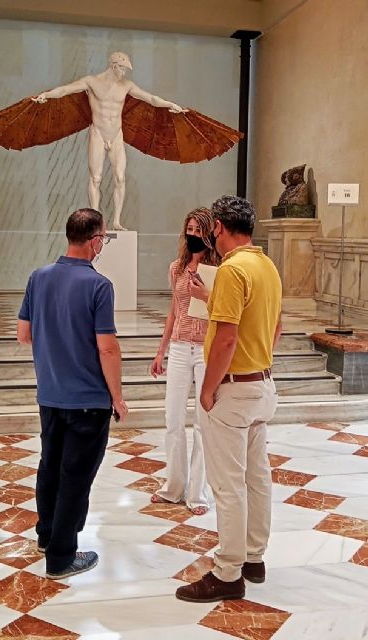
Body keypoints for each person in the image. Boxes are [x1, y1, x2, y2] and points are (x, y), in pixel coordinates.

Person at [176, 196, 282, 603]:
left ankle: (228, 571)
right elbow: (276, 325)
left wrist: (208, 389)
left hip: (234, 390)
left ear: (219, 227)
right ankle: (254, 557)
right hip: (262, 385)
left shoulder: (232, 270)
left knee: (227, 484)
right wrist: (260, 362)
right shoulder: (266, 266)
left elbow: (225, 337)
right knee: (257, 476)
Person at [17, 207, 128, 580]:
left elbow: (24, 334)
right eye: (103, 238)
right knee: (75, 477)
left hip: (50, 394)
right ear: (95, 240)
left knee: (50, 467)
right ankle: (62, 557)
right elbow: (107, 348)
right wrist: (117, 397)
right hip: (88, 399)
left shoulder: (38, 277)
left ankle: (47, 536)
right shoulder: (99, 285)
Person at [33, 52, 186, 231]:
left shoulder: (126, 85)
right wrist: (47, 95)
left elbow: (150, 98)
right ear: (113, 66)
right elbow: (67, 89)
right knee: (96, 178)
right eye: (122, 69)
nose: (124, 73)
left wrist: (170, 104)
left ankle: (116, 221)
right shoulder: (92, 82)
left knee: (120, 178)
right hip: (98, 133)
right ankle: (94, 220)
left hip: (116, 135)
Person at [150, 207, 219, 515]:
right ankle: (173, 486)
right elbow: (173, 312)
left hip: (206, 348)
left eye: (198, 230)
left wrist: (206, 295)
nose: (193, 235)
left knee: (203, 423)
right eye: (189, 229)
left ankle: (198, 493)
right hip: (179, 347)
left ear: (209, 233)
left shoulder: (219, 269)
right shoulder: (176, 268)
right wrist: (160, 351)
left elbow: (226, 310)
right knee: (173, 419)